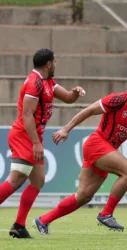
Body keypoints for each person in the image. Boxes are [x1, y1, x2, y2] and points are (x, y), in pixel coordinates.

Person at [33, 72, 127, 234]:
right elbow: (89, 110)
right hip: (97, 144)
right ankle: (106, 214)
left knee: (83, 196)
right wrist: (66, 129)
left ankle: (43, 220)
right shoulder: (118, 99)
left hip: (106, 150)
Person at [0, 48, 86, 238]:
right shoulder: (34, 82)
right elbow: (27, 115)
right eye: (55, 61)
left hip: (32, 136)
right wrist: (36, 144)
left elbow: (67, 98)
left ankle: (18, 226)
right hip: (24, 135)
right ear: (48, 64)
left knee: (38, 181)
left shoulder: (47, 82)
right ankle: (19, 226)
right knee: (17, 179)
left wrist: (75, 92)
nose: (56, 64)